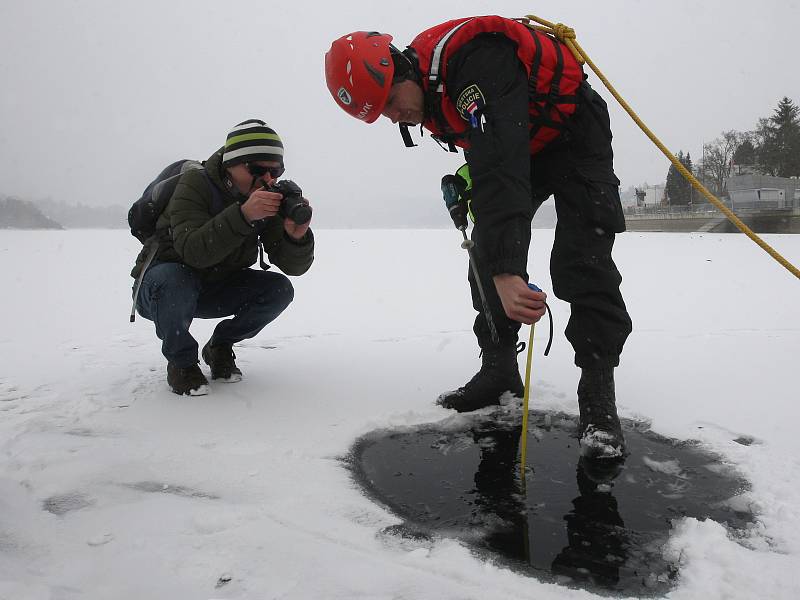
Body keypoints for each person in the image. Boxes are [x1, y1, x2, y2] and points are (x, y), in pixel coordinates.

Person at [325, 17, 632, 459]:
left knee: (582, 259)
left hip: (574, 135)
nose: (394, 116)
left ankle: (598, 395)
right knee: (485, 246)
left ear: (402, 70)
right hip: (520, 144)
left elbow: (502, 158)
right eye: (382, 115)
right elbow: (489, 164)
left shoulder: (478, 61)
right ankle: (499, 369)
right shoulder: (432, 94)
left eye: (390, 101)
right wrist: (495, 256)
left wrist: (508, 272)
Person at [131, 119, 315, 396]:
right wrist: (243, 216)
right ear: (231, 164)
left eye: (276, 170)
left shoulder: (264, 196)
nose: (268, 179)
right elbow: (192, 251)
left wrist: (295, 236)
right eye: (257, 169)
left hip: (216, 286)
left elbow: (294, 267)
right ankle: (181, 363)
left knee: (279, 289)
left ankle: (219, 346)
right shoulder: (195, 185)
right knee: (176, 279)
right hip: (160, 290)